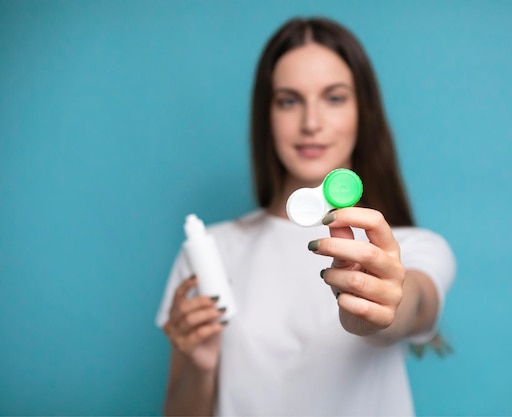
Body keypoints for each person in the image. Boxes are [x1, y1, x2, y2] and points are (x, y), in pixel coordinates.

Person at [156, 16, 456, 416]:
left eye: (334, 98)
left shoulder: (415, 248)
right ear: (267, 116)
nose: (311, 123)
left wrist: (381, 312)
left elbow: (414, 305)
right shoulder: (210, 250)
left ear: (362, 113)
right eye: (289, 100)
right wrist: (199, 365)